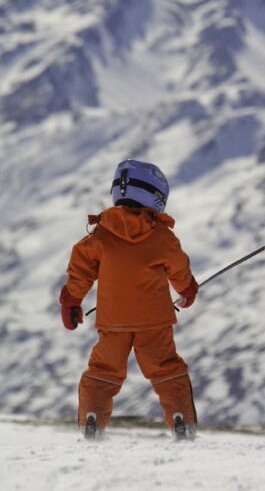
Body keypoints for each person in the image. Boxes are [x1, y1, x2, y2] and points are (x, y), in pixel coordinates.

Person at [58, 159, 200, 441]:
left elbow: (80, 270)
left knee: (103, 370)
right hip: (155, 321)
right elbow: (179, 268)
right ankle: (181, 421)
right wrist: (187, 291)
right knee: (166, 369)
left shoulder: (101, 234)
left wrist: (71, 301)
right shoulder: (162, 236)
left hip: (113, 321)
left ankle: (92, 420)